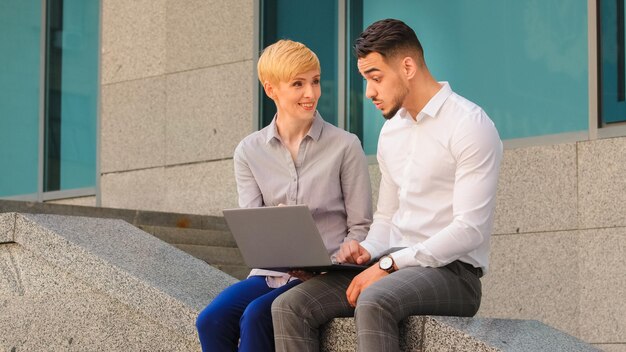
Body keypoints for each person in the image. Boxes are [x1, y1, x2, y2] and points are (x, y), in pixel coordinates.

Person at [272, 19, 503, 351]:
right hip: (392, 263)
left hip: (455, 274)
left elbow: (469, 230)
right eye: (366, 79)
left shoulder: (469, 125)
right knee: (290, 306)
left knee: (375, 300)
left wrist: (388, 264)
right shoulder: (392, 133)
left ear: (407, 66)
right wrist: (367, 250)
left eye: (375, 78)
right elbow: (387, 218)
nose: (369, 92)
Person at [195, 39, 372, 352]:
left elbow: (361, 227)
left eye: (315, 82)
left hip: (327, 274)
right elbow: (252, 226)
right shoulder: (249, 151)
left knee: (256, 316)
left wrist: (344, 253)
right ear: (271, 89)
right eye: (298, 84)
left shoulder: (345, 146)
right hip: (270, 273)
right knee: (211, 319)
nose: (311, 94)